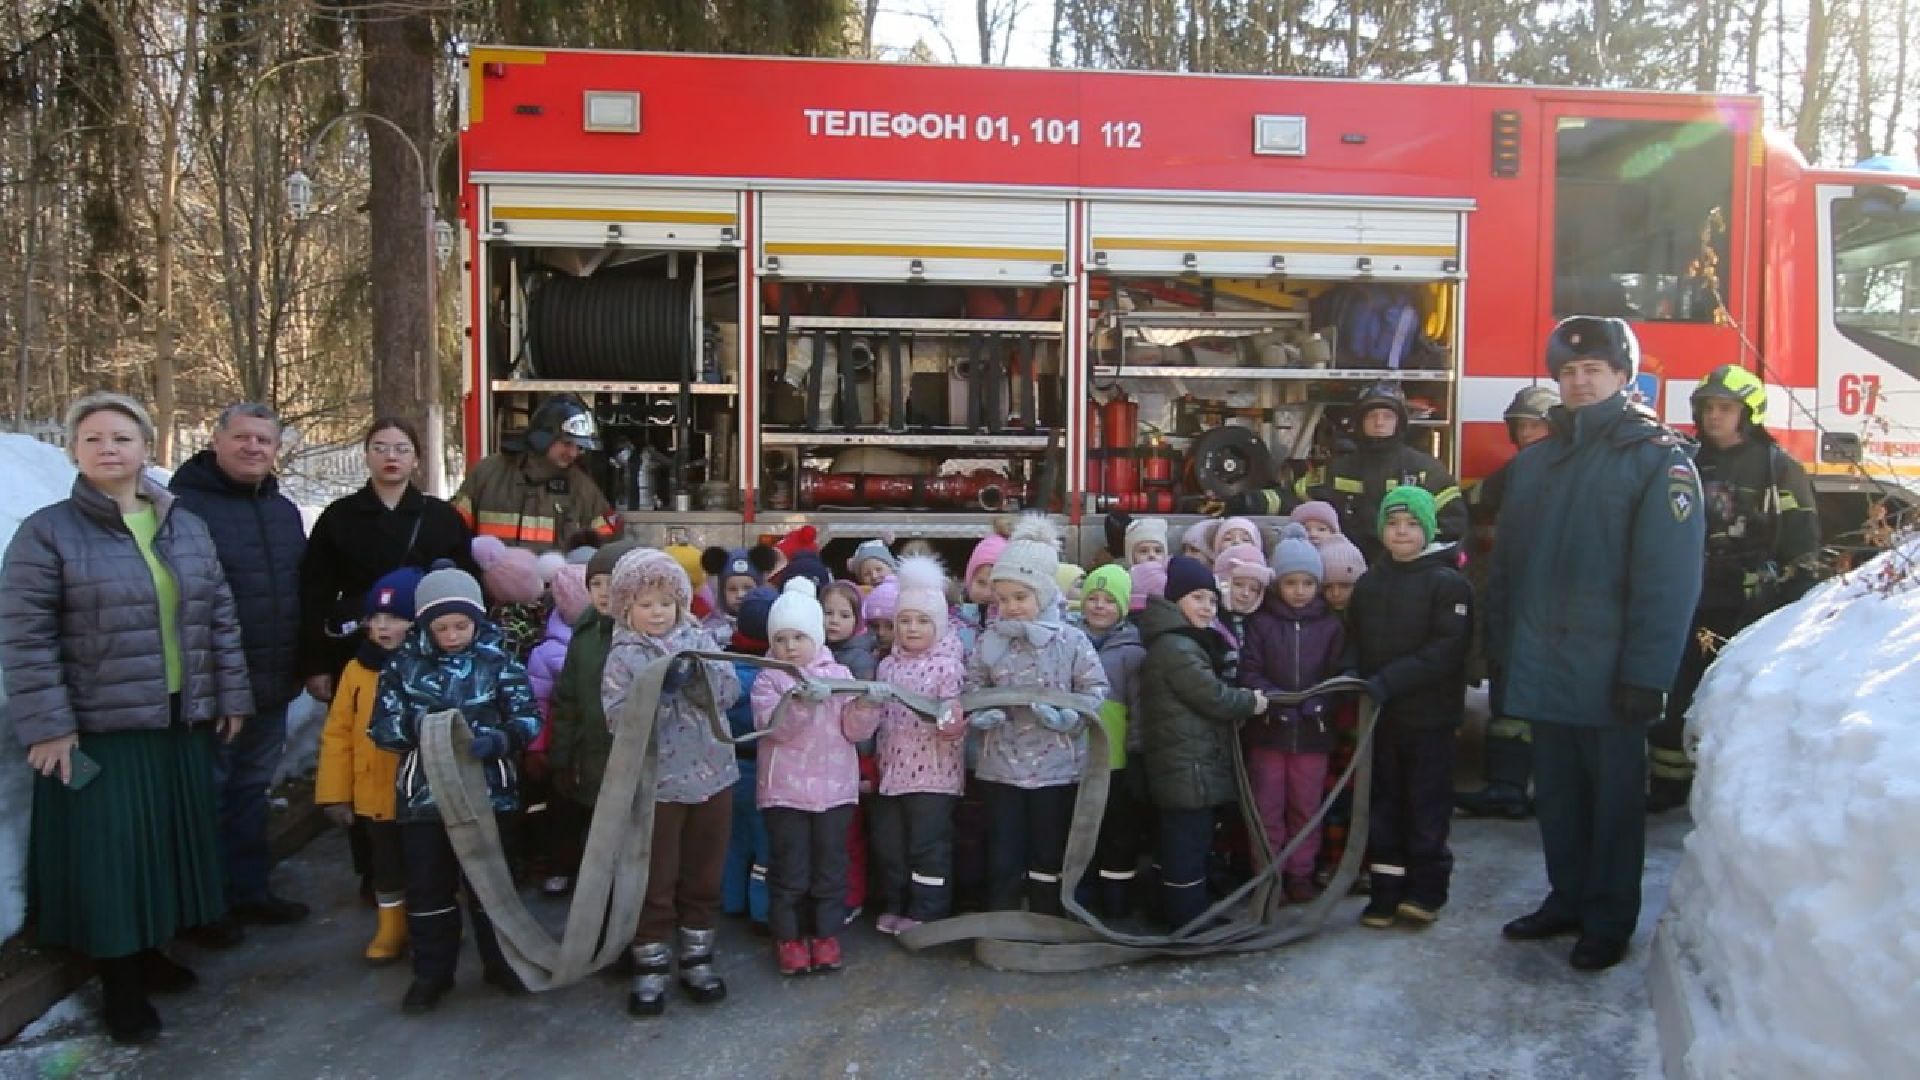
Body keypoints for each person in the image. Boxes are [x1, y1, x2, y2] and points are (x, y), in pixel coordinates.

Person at [1, 393, 251, 1044]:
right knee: (109, 856)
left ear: (146, 448)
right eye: (93, 438)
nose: (109, 448)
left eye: (122, 437)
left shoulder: (182, 525)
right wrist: (50, 725)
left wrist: (229, 694)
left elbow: (218, 616)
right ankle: (119, 982)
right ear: (74, 453)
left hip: (175, 719)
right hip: (100, 728)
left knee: (163, 843)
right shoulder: (47, 532)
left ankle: (148, 951)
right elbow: (25, 638)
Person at [1488, 316, 1704, 972]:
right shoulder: (1538, 463)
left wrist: (1648, 673)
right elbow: (1510, 568)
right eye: (1568, 373)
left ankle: (1609, 918)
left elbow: (1668, 581)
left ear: (1622, 377)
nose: (1579, 382)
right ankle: (1568, 898)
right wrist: (1501, 650)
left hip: (1611, 674)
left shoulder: (1656, 459)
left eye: (1593, 371)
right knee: (1555, 795)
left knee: (1612, 804)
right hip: (1545, 665)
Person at [369, 561, 540, 1013]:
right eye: (441, 627)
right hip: (425, 800)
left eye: (461, 625)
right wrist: (422, 729)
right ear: (426, 624)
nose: (452, 635)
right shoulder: (402, 666)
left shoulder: (497, 659)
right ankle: (432, 974)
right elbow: (381, 728)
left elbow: (527, 715)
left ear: (476, 620)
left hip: (489, 793)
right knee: (429, 888)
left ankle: (502, 963)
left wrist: (501, 740)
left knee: (493, 885)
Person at [1647, 366, 1820, 813]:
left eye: (1725, 407)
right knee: (1673, 685)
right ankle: (1666, 783)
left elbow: (1801, 541)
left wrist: (1787, 595)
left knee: (1725, 691)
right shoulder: (1683, 459)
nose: (1714, 416)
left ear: (1748, 413)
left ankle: (1722, 788)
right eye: (1707, 407)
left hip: (1744, 601)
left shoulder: (1778, 467)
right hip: (1686, 590)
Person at [168, 402, 310, 934]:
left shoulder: (282, 511)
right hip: (210, 686)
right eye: (243, 438)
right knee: (208, 794)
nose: (254, 448)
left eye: (265, 441)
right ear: (216, 440)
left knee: (251, 790)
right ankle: (205, 906)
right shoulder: (180, 509)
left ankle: (249, 890)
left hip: (271, 682)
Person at [601, 547, 741, 1017]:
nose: (657, 612)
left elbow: (730, 692)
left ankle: (697, 958)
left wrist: (697, 679)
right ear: (626, 608)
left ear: (681, 602)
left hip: (713, 776)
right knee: (655, 878)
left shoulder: (702, 638)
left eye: (665, 601)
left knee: (703, 873)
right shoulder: (623, 655)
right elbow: (618, 720)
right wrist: (657, 692)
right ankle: (650, 963)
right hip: (657, 786)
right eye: (645, 603)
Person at [964, 515, 1110, 916]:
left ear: (1044, 595)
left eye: (1020, 598)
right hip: (1001, 767)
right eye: (1003, 598)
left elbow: (1096, 690)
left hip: (1057, 767)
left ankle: (1047, 918)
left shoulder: (1071, 641)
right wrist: (981, 711)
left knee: (1050, 850)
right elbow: (972, 684)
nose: (1010, 607)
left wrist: (1071, 717)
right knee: (1003, 850)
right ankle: (1002, 920)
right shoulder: (989, 641)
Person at [1347, 488, 1473, 929]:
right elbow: (1354, 638)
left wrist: (1386, 681)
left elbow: (1445, 651)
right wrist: (1349, 675)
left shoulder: (1448, 585)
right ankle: (1385, 891)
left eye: (1412, 525)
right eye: (1394, 524)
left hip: (1429, 718)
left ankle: (1425, 890)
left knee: (1425, 804)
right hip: (1381, 719)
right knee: (1384, 804)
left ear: (1428, 530)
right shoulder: (1371, 582)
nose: (1402, 533)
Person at [750, 579, 881, 974]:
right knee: (790, 870)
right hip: (785, 793)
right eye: (782, 638)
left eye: (799, 637)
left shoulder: (838, 673)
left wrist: (866, 707)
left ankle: (825, 935)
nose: (790, 646)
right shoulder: (768, 679)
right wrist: (801, 703)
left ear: (817, 637)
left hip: (835, 792)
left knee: (830, 868)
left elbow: (854, 732)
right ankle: (789, 939)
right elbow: (775, 729)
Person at [299, 417, 476, 703]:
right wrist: (316, 664)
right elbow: (315, 594)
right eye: (380, 448)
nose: (391, 456)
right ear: (367, 456)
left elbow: (466, 585)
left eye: (401, 449)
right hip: (358, 646)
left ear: (416, 459)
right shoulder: (339, 517)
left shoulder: (442, 517)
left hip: (430, 650)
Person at [1137, 556, 1270, 929]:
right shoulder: (1177, 648)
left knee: (1183, 843)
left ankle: (1173, 908)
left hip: (1185, 764)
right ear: (1176, 600)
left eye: (1212, 600)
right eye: (1197, 598)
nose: (1207, 607)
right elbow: (1211, 696)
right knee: (1187, 847)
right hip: (1187, 768)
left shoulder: (1178, 641)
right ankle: (1187, 920)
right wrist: (1251, 701)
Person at [1456, 385, 1560, 821]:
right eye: (1521, 426)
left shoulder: (1558, 471)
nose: (1528, 432)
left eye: (1535, 424)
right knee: (1510, 698)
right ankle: (1508, 787)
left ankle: (1534, 790)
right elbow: (1472, 502)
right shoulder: (1518, 471)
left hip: (1550, 607)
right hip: (1519, 599)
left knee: (1542, 702)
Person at [314, 567, 422, 963]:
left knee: (429, 865)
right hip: (374, 794)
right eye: (374, 618)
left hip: (419, 793)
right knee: (386, 866)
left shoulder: (424, 668)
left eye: (394, 618)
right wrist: (334, 794)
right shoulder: (357, 671)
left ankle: (434, 924)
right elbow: (338, 734)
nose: (382, 627)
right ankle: (391, 927)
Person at [1237, 383, 1467, 561]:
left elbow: (1454, 523)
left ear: (1400, 422)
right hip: (1347, 571)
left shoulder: (1425, 471)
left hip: (1407, 572)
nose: (1379, 423)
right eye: (1372, 416)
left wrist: (1415, 546)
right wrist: (1252, 501)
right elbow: (1296, 498)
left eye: (1387, 416)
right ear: (1360, 422)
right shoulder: (1340, 469)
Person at [1239, 525, 1345, 903]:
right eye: (1290, 583)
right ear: (1277, 584)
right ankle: (1268, 875)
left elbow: (1338, 672)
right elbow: (1249, 669)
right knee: (1267, 806)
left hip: (1314, 732)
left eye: (1307, 583)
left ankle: (1300, 872)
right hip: (1269, 731)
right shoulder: (1262, 623)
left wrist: (1321, 701)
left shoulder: (1331, 626)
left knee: (1306, 806)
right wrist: (1275, 700)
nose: (1299, 591)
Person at [867, 556, 969, 933]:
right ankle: (896, 903)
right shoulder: (887, 666)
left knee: (928, 847)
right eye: (904, 621)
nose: (911, 628)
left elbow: (954, 720)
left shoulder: (948, 667)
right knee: (890, 846)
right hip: (892, 773)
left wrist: (949, 721)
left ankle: (928, 912)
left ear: (938, 625)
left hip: (934, 777)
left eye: (922, 621)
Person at [545, 540, 634, 900]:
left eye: (612, 583)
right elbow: (566, 700)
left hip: (627, 755)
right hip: (590, 751)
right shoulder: (585, 634)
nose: (603, 593)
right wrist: (561, 757)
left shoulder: (642, 633)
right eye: (595, 584)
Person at [451, 395, 622, 552]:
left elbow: (608, 545)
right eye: (567, 443)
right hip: (490, 583)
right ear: (543, 437)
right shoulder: (487, 474)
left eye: (579, 447)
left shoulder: (583, 489)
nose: (573, 453)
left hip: (555, 585)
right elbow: (452, 530)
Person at [1076, 563, 1147, 918]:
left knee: (1118, 832)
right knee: (1081, 828)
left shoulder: (1132, 651)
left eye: (1108, 600)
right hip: (1077, 759)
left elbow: (1139, 707)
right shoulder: (1069, 641)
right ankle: (1081, 895)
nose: (1099, 606)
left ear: (1122, 607)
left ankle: (1117, 899)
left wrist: (1136, 751)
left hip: (1116, 759)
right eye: (1093, 598)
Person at [525, 558, 594, 895]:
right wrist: (537, 746)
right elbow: (536, 702)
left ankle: (591, 868)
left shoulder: (610, 638)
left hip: (596, 739)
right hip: (561, 740)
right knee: (563, 807)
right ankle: (560, 865)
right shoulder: (547, 651)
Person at [721, 587, 779, 932]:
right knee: (764, 844)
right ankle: (761, 909)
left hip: (729, 764)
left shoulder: (724, 665)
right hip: (763, 765)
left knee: (733, 839)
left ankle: (730, 899)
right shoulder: (771, 674)